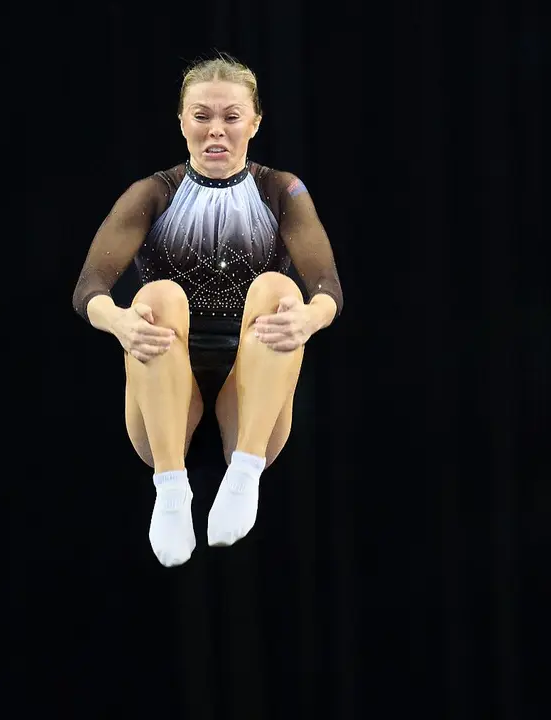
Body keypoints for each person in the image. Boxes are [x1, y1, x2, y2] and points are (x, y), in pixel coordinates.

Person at [70, 54, 345, 567]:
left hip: (252, 399)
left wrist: (312, 315)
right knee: (156, 298)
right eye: (202, 116)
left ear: (255, 122)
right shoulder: (151, 193)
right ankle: (171, 489)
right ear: (181, 120)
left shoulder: (280, 190)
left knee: (277, 287)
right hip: (164, 396)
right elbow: (90, 287)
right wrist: (120, 322)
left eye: (231, 117)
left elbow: (327, 284)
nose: (216, 131)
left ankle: (243, 473)